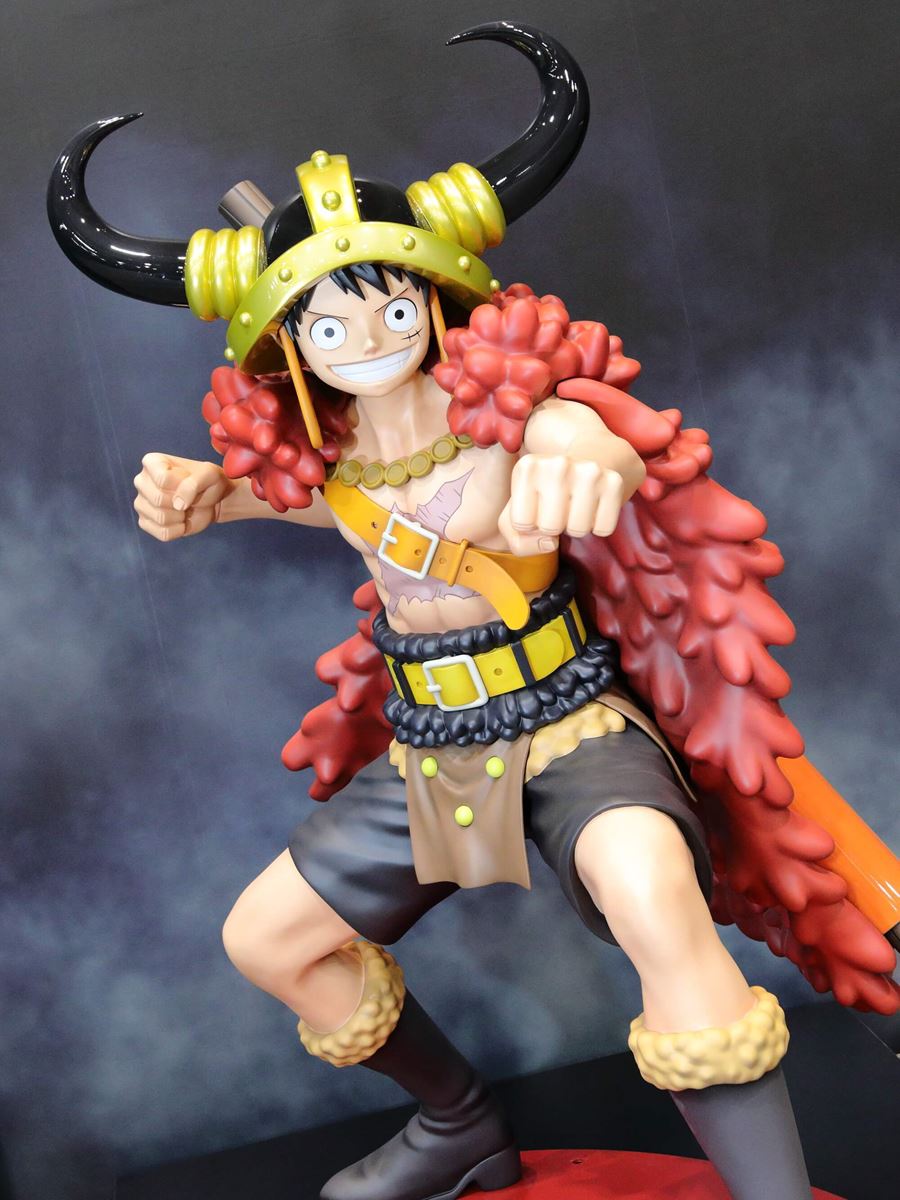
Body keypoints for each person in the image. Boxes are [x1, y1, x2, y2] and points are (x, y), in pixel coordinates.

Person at [48, 21, 897, 1200]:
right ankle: (458, 1125)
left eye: (391, 309)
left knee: (657, 900)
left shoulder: (506, 412)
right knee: (268, 939)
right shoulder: (342, 460)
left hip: (572, 724)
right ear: (289, 344)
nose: (366, 341)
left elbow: (581, 428)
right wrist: (208, 495)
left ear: (436, 300)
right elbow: (317, 505)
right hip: (432, 748)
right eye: (329, 325)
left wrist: (587, 453)